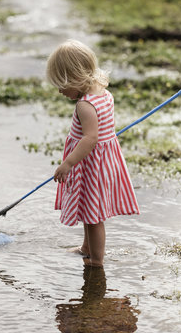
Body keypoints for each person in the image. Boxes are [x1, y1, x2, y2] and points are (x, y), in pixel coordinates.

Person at [46, 40, 140, 267]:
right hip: (103, 162)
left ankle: (96, 261)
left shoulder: (85, 105)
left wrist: (67, 163)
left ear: (75, 78)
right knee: (89, 211)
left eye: (62, 84)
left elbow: (90, 138)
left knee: (94, 217)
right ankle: (86, 248)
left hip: (91, 165)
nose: (59, 91)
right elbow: (102, 132)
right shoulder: (103, 94)